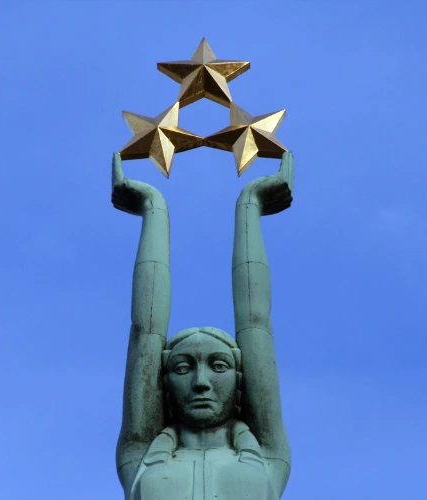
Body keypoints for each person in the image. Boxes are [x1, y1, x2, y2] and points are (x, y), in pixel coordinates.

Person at [112, 151, 293, 500]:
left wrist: (250, 205)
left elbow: (255, 320)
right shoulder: (140, 456)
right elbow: (145, 329)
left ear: (241, 383)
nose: (201, 383)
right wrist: (153, 207)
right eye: (182, 368)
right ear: (163, 385)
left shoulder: (269, 455)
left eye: (219, 366)